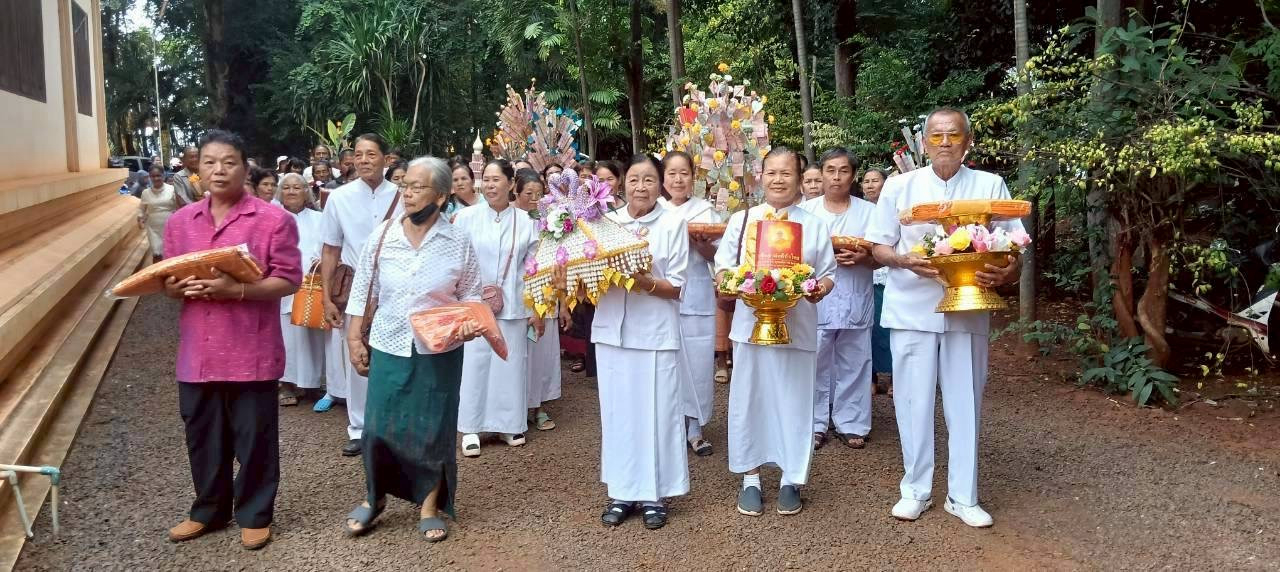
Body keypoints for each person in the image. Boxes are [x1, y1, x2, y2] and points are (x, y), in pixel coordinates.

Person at [866, 107, 1023, 528]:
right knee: (913, 402)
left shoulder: (990, 185)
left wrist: (1010, 271)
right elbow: (878, 247)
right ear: (924, 143)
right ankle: (915, 489)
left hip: (969, 307)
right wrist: (903, 260)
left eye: (954, 135)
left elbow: (1015, 250)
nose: (946, 143)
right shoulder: (899, 186)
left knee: (964, 400)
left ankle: (963, 495)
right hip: (911, 307)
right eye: (937, 136)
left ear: (968, 141)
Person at [161, 129, 301, 550]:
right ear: (197, 169)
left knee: (254, 435)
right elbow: (164, 282)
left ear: (245, 168)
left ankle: (255, 512)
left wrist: (236, 290)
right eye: (209, 162)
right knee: (202, 434)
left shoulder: (273, 220)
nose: (218, 170)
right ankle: (208, 509)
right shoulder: (181, 222)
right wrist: (179, 287)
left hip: (250, 350)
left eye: (228, 162)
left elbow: (288, 279)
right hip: (197, 352)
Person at [342, 156, 482, 543]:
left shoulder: (457, 240)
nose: (407, 192)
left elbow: (471, 292)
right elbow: (362, 289)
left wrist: (468, 323)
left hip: (439, 349)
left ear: (440, 195)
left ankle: (428, 504)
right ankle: (375, 498)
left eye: (417, 187)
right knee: (377, 427)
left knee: (433, 428)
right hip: (388, 341)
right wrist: (355, 339)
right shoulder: (384, 235)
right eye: (405, 185)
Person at [713, 146, 836, 517]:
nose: (779, 179)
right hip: (750, 326)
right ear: (760, 177)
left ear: (800, 179)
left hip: (797, 327)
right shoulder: (742, 221)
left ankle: (791, 478)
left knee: (795, 402)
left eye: (787, 173)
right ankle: (750, 477)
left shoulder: (813, 223)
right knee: (750, 399)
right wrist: (738, 283)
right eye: (772, 172)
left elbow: (828, 274)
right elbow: (721, 271)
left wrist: (815, 289)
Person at [569, 154, 689, 529]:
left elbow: (678, 288)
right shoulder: (604, 223)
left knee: (658, 414)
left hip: (654, 333)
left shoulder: (673, 224)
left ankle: (655, 494)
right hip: (611, 334)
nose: (641, 187)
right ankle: (621, 491)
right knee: (619, 415)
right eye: (634, 180)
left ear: (661, 185)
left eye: (650, 180)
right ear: (621, 184)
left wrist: (643, 280)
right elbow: (588, 282)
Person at [452, 159, 541, 457]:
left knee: (510, 363)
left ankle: (509, 423)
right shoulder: (465, 218)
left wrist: (535, 307)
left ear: (509, 182)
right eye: (486, 180)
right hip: (474, 303)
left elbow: (533, 269)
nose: (490, 185)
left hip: (514, 302)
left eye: (496, 180)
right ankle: (471, 427)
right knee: (475, 364)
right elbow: (457, 263)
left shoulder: (527, 223)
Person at [320, 134, 402, 454]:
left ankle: (391, 428)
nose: (364, 160)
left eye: (371, 154)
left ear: (386, 159)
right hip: (356, 288)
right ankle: (359, 428)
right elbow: (330, 250)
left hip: (395, 288)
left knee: (394, 356)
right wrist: (327, 298)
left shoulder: (402, 196)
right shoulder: (338, 199)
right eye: (358, 154)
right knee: (357, 356)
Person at [801, 148, 879, 450]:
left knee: (855, 361)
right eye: (830, 170)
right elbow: (793, 257)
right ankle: (815, 423)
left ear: (853, 175)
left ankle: (852, 422)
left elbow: (882, 256)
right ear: (821, 174)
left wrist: (864, 258)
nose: (836, 176)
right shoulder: (806, 213)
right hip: (817, 298)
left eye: (843, 170)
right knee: (815, 361)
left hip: (856, 295)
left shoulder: (869, 212)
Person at [657, 151, 720, 457]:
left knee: (696, 364)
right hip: (659, 300)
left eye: (684, 173)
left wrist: (704, 248)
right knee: (666, 365)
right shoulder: (653, 212)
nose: (678, 179)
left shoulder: (706, 211)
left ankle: (695, 427)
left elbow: (721, 257)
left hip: (696, 297)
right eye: (672, 173)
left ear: (693, 177)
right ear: (663, 178)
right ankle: (667, 428)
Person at [513, 169, 561, 431]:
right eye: (528, 193)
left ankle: (538, 405)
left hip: (546, 292)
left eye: (538, 194)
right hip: (518, 293)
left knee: (541, 353)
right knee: (519, 353)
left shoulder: (551, 221)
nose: (533, 199)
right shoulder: (511, 221)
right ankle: (516, 406)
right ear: (516, 193)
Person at [276, 173, 326, 406]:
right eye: (287, 187)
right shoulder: (273, 217)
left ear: (306, 191)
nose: (293, 191)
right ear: (280, 192)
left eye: (298, 187)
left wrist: (318, 262)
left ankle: (312, 383)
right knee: (287, 336)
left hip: (312, 283)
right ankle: (286, 384)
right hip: (283, 284)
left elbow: (327, 245)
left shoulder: (319, 218)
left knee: (312, 335)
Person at [861, 167, 893, 394]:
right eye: (866, 181)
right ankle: (870, 377)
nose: (870, 185)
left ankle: (892, 378)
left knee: (887, 328)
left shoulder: (893, 208)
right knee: (868, 329)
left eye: (875, 181)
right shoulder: (858, 210)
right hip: (864, 274)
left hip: (887, 275)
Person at [138, 165, 181, 258]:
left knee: (169, 254)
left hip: (170, 226)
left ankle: (170, 272)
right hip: (153, 228)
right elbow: (142, 209)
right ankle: (157, 273)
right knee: (157, 254)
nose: (156, 178)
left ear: (163, 175)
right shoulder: (145, 193)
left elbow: (178, 208)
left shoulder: (172, 189)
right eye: (153, 176)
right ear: (150, 177)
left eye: (158, 175)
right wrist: (140, 218)